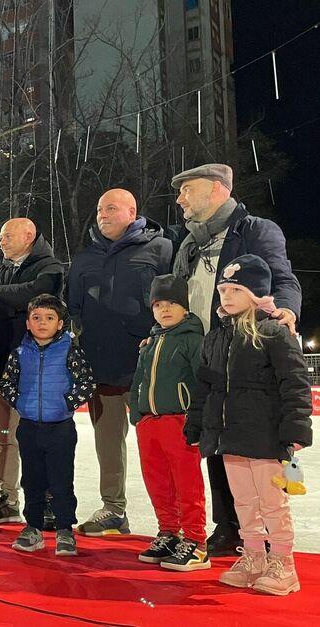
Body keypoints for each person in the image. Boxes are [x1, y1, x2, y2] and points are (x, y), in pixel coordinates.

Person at [171, 163, 302, 557]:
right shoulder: (189, 242)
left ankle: (264, 540)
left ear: (215, 190)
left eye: (186, 190)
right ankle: (228, 527)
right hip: (202, 349)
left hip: (241, 351)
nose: (179, 199)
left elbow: (282, 278)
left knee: (247, 447)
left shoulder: (255, 230)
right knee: (214, 438)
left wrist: (287, 311)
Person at [185, 254, 312, 595]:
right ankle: (254, 556)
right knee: (242, 501)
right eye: (223, 289)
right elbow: (206, 386)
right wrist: (197, 423)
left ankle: (284, 563)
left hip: (266, 435)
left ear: (256, 293)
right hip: (230, 436)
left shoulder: (273, 332)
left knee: (272, 501)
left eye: (235, 289)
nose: (226, 296)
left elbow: (295, 381)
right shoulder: (216, 337)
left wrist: (296, 427)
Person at [67, 188, 172, 536]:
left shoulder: (161, 248)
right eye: (99, 209)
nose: (102, 215)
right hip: (102, 368)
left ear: (132, 211)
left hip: (148, 368)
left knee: (159, 446)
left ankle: (171, 522)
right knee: (108, 443)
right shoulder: (85, 258)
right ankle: (113, 510)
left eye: (110, 208)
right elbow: (75, 309)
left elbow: (174, 304)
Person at [0, 218, 64, 526]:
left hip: (35, 366)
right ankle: (8, 497)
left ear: (29, 235)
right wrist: (7, 298)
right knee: (4, 437)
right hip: (0, 363)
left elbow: (35, 295)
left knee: (36, 437)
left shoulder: (50, 266)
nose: (0, 241)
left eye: (7, 236)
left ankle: (47, 500)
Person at [0, 295, 96, 557]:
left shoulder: (69, 349)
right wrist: (20, 403)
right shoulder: (19, 353)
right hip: (29, 427)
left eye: (49, 318)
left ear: (60, 323)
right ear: (28, 324)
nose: (43, 323)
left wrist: (67, 404)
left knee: (61, 480)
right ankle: (33, 527)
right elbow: (6, 384)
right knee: (32, 480)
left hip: (60, 429)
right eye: (37, 318)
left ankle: (65, 529)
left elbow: (86, 382)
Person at [127, 275, 208, 571]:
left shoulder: (192, 339)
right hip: (149, 422)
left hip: (179, 421)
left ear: (184, 308)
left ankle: (197, 542)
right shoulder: (150, 342)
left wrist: (196, 418)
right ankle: (169, 532)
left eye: (171, 303)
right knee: (157, 481)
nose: (164, 309)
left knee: (186, 483)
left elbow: (203, 382)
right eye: (158, 304)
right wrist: (136, 411)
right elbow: (139, 379)